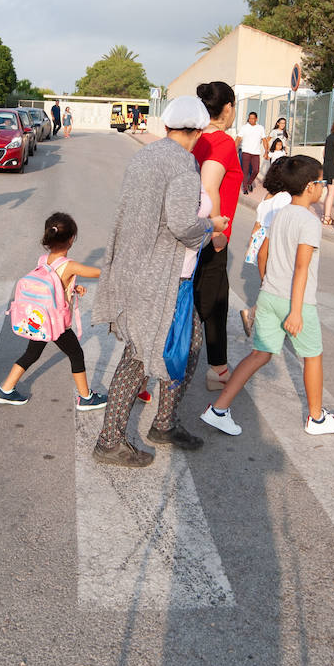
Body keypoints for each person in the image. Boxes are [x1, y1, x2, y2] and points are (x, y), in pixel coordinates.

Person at [90, 96, 228, 467]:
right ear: (197, 132)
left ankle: (164, 422)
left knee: (190, 345)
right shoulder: (184, 166)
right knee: (139, 358)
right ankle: (109, 441)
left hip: (138, 268)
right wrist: (211, 225)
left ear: (166, 126)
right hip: (160, 278)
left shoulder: (145, 156)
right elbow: (184, 226)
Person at [200, 154, 334, 438]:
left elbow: (263, 251)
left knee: (259, 355)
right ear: (308, 187)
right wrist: (295, 310)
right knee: (313, 356)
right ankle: (316, 418)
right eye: (320, 181)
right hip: (296, 301)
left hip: (269, 296)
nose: (323, 187)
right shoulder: (310, 221)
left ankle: (218, 409)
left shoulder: (279, 214)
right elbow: (302, 267)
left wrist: (269, 284)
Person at [0, 212, 107, 410]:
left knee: (31, 354)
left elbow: (52, 285)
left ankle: (6, 389)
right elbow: (99, 273)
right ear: (71, 239)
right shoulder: (69, 266)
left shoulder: (43, 260)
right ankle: (85, 397)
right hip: (56, 322)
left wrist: (73, 288)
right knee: (76, 354)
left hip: (39, 319)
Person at [192, 81, 242, 393]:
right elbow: (209, 186)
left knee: (218, 300)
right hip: (209, 234)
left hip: (192, 231)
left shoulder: (193, 138)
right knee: (201, 305)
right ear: (226, 108)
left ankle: (218, 368)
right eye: (234, 106)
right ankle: (147, 373)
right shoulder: (220, 142)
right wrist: (218, 231)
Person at [238, 155, 292, 338]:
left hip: (261, 242)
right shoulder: (285, 198)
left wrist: (251, 249)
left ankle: (260, 318)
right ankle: (256, 316)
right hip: (272, 243)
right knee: (275, 287)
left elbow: (257, 225)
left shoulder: (267, 197)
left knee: (269, 286)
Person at [236, 110, 266, 195]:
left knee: (256, 170)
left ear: (256, 119)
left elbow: (264, 140)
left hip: (256, 153)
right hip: (246, 151)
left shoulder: (260, 128)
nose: (251, 120)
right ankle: (245, 188)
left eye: (253, 118)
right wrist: (234, 149)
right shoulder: (244, 127)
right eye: (250, 118)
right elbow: (238, 138)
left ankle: (249, 183)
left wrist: (266, 151)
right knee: (245, 171)